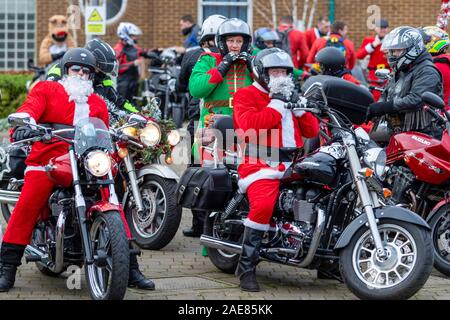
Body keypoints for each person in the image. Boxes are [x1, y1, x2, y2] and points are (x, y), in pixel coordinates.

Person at [0, 48, 107, 292]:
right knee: (29, 202)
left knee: (112, 196)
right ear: (66, 70)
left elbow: (105, 133)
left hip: (86, 163)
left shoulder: (98, 102)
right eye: (76, 69)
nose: (80, 74)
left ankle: (129, 264)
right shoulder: (46, 89)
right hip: (47, 160)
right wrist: (24, 124)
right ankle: (7, 266)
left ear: (91, 76)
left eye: (86, 71)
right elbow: (30, 107)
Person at [233, 48, 319, 291]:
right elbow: (251, 127)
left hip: (295, 163)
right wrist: (278, 103)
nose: (280, 75)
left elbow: (312, 131)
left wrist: (301, 109)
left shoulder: (288, 95)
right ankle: (246, 267)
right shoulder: (246, 95)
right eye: (274, 71)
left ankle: (322, 258)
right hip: (261, 162)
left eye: (283, 71)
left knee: (321, 196)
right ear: (261, 72)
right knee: (263, 206)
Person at [176, 14, 227, 237]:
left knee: (198, 173)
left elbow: (180, 86)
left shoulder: (192, 56)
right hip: (228, 123)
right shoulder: (234, 59)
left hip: (200, 121)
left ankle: (199, 225)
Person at [189, 18, 254, 167]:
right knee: (211, 170)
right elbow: (196, 89)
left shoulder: (252, 61)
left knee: (247, 169)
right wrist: (221, 67)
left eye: (239, 41)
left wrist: (253, 69)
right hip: (213, 124)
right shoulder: (209, 60)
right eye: (230, 41)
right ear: (222, 42)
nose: (235, 46)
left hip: (246, 125)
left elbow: (267, 90)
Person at [366, 26, 443, 139]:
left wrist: (385, 107)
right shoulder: (402, 68)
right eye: (391, 51)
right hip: (401, 133)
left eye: (397, 50)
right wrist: (373, 110)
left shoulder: (427, 71)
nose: (393, 54)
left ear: (412, 48)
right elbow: (387, 92)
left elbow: (416, 99)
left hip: (424, 135)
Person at [46, 38, 139, 117]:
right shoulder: (58, 70)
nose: (101, 74)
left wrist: (138, 114)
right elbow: (49, 96)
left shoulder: (102, 78)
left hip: (95, 125)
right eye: (99, 70)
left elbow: (118, 100)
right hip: (61, 122)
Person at [114, 22, 156, 101]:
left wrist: (156, 52)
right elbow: (116, 68)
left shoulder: (132, 47)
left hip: (134, 81)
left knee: (134, 105)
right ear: (126, 35)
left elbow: (143, 52)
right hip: (123, 83)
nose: (135, 38)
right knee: (124, 105)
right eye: (133, 35)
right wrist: (133, 63)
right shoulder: (118, 49)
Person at [356, 19, 390, 101]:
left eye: (384, 28)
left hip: (388, 76)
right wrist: (373, 45)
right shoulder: (369, 41)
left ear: (387, 29)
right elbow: (359, 55)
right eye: (380, 27)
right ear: (376, 28)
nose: (382, 30)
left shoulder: (390, 41)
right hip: (373, 76)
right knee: (374, 99)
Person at [422, 26, 450, 109]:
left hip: (441, 112)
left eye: (426, 42)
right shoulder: (442, 60)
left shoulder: (438, 65)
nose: (423, 44)